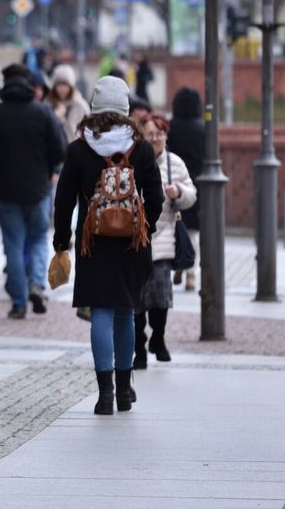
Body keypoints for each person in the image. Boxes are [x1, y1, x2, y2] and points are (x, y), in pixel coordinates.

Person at [54, 75, 163, 414]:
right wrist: (146, 227)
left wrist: (62, 241)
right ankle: (125, 388)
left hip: (93, 243)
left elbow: (64, 201)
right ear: (126, 109)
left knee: (101, 310)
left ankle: (104, 394)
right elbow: (156, 197)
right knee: (126, 312)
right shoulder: (141, 148)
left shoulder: (79, 149)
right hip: (132, 243)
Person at [0, 64, 67, 319]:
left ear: (5, 83)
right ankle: (37, 284)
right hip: (39, 189)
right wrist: (50, 169)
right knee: (39, 239)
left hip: (7, 191)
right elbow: (61, 148)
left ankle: (19, 303)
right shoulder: (42, 112)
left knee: (13, 245)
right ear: (30, 85)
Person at [133, 113, 196, 368]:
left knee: (160, 295)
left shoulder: (175, 164)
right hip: (136, 237)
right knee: (137, 299)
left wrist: (179, 192)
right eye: (150, 134)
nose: (155, 138)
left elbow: (191, 193)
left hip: (164, 236)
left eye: (159, 134)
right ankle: (138, 346)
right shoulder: (134, 159)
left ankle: (158, 337)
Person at [167, 87, 205, 290]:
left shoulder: (172, 127)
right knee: (194, 232)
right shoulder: (203, 128)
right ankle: (192, 274)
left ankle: (179, 263)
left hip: (176, 183)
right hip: (198, 186)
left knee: (175, 226)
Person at [48, 65, 89, 144]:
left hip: (75, 150)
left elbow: (88, 130)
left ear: (71, 86)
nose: (62, 88)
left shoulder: (80, 105)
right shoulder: (48, 104)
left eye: (65, 84)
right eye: (59, 84)